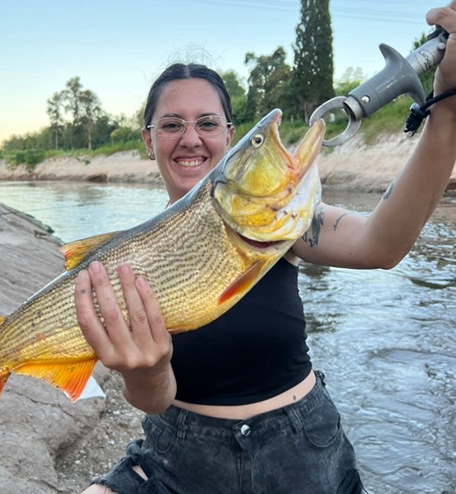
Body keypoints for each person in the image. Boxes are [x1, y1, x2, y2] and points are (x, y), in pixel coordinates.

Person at [76, 4, 456, 493]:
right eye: (171, 125)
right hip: (180, 460)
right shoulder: (129, 262)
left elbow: (380, 245)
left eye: (207, 123)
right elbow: (154, 399)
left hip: (304, 452)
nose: (190, 138)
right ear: (148, 141)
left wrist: (447, 108)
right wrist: (145, 372)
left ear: (230, 137)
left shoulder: (277, 220)